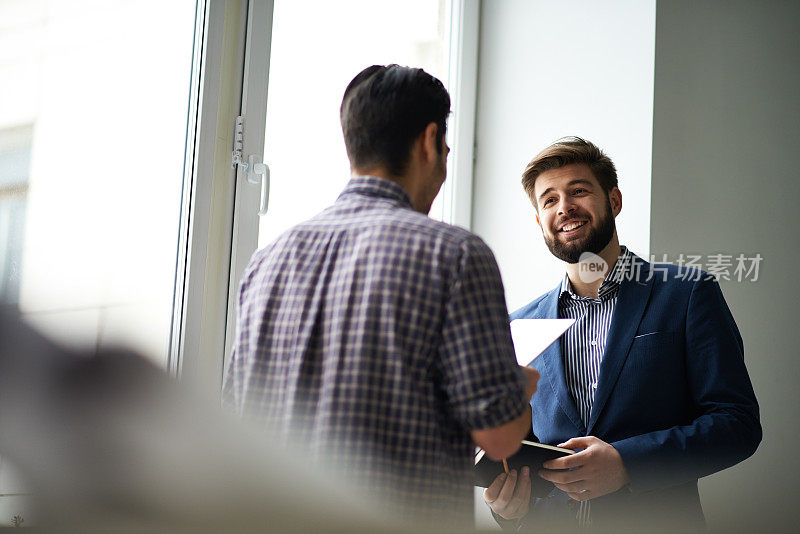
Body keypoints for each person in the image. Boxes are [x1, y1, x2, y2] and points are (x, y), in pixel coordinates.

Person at [222, 65, 538, 527]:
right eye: (446, 149)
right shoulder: (454, 255)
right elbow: (501, 439)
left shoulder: (266, 261)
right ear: (429, 142)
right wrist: (517, 387)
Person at [483, 137, 761, 530]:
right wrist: (509, 508)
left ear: (613, 201)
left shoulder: (687, 293)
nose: (564, 207)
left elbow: (738, 424)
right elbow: (521, 450)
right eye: (549, 200)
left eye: (578, 191)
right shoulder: (519, 326)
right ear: (539, 221)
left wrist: (627, 464)